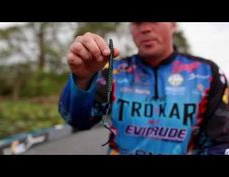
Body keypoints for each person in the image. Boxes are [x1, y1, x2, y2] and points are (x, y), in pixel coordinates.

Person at [59, 22, 229, 155]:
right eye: (138, 22)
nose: (146, 28)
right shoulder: (113, 72)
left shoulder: (207, 73)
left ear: (174, 24)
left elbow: (222, 141)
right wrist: (83, 79)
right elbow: (77, 121)